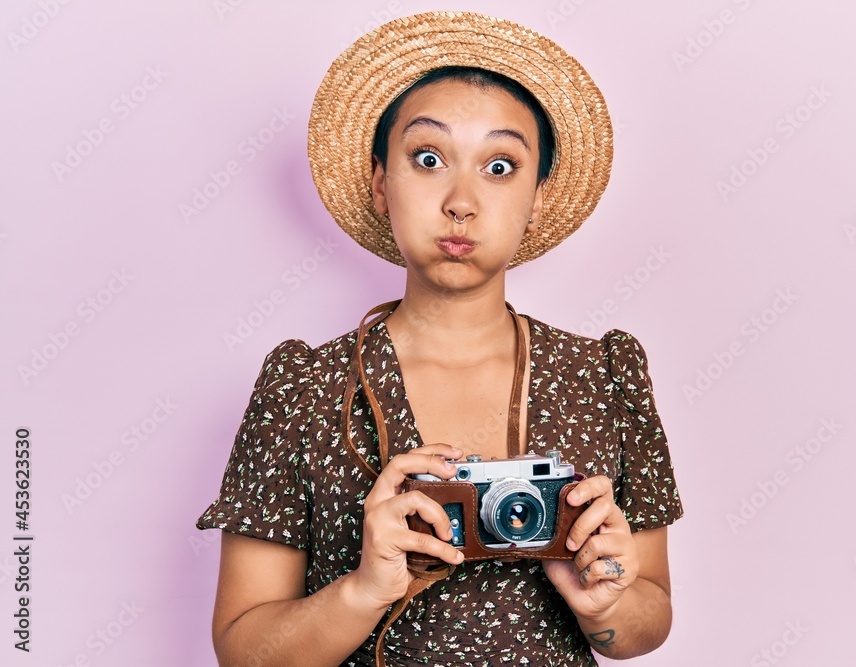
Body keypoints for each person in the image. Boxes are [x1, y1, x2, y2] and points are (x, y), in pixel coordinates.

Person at [196, 11, 683, 666]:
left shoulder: (605, 374)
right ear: (379, 183)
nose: (461, 200)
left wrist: (608, 605)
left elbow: (647, 622)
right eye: (428, 159)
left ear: (538, 198)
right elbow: (243, 650)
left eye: (501, 166)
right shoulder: (304, 385)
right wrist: (365, 589)